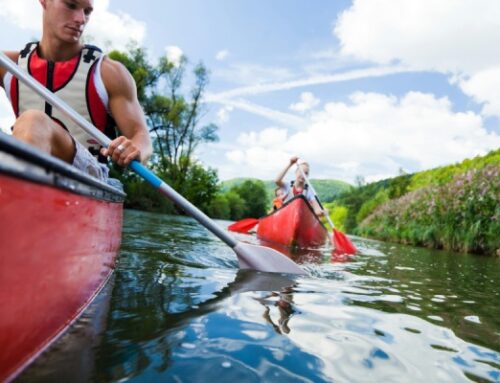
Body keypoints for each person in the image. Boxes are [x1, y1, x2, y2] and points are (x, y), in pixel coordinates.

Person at [0, 0, 152, 185]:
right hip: (22, 159)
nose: (81, 19)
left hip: (88, 175)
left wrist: (134, 149)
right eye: (71, 5)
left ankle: (15, 202)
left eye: (87, 12)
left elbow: (141, 137)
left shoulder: (109, 73)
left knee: (33, 121)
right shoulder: (9, 65)